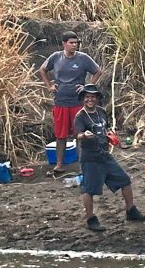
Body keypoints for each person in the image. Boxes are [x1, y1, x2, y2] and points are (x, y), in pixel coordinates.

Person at [73, 84, 145, 231]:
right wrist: (84, 135)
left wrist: (110, 134)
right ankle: (90, 219)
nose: (90, 100)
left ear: (98, 99)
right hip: (90, 158)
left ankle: (131, 210)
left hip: (105, 155)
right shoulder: (80, 116)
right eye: (87, 97)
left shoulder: (101, 112)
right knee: (89, 189)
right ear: (83, 99)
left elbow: (105, 128)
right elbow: (77, 134)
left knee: (124, 180)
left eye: (93, 97)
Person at [38, 31, 102, 174]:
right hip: (60, 102)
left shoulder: (83, 58)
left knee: (79, 135)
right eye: (71, 43)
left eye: (76, 43)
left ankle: (82, 165)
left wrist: (87, 87)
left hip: (77, 103)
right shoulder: (56, 57)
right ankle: (59, 165)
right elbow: (42, 70)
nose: (74, 45)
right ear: (64, 44)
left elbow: (98, 71)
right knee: (60, 136)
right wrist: (49, 86)